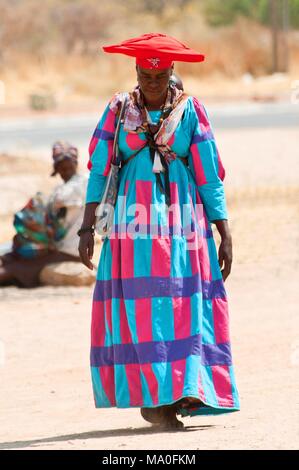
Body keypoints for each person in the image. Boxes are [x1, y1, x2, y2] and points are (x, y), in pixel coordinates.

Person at [78, 33, 240, 429]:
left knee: (185, 306)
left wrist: (224, 229)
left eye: (161, 76)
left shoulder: (190, 111)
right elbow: (99, 168)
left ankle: (180, 392)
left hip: (183, 226)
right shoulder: (117, 111)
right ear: (136, 72)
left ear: (171, 73)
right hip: (133, 230)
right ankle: (155, 399)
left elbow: (208, 174)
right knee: (143, 310)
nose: (153, 83)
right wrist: (86, 227)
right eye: (146, 76)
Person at [0, 141, 88, 288]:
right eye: (61, 166)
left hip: (69, 250)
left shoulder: (82, 184)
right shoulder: (62, 188)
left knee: (17, 267)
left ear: (75, 163)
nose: (65, 170)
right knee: (10, 256)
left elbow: (59, 201)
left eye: (68, 165)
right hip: (54, 247)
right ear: (56, 168)